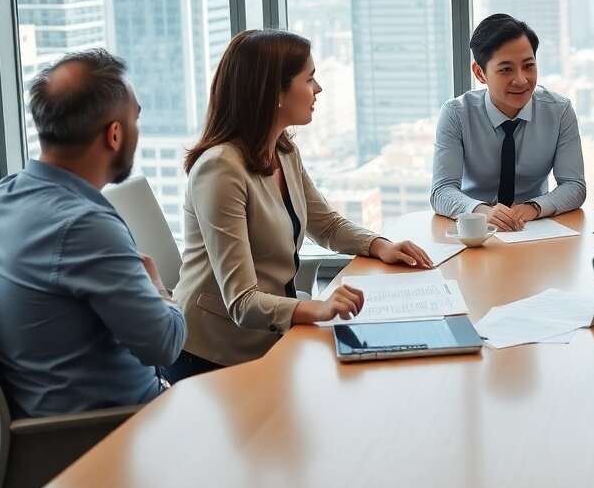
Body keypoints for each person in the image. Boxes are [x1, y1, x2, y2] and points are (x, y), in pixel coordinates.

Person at [168, 30, 431, 382]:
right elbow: (242, 302)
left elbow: (328, 226)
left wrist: (379, 245)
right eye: (309, 79)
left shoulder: (282, 150)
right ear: (274, 92)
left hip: (269, 337)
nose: (318, 88)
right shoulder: (219, 170)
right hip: (215, 356)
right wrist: (317, 307)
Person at [0, 49, 185, 417]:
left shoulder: (3, 195)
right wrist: (160, 292)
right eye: (136, 119)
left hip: (56, 416)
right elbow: (164, 345)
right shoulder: (85, 226)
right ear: (115, 134)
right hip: (112, 431)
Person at [430, 13, 586, 230]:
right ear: (480, 73)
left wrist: (533, 208)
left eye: (529, 66)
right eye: (505, 69)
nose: (521, 80)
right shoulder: (456, 114)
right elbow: (442, 190)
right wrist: (482, 212)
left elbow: (574, 186)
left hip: (532, 227)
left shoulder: (559, 111)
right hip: (475, 230)